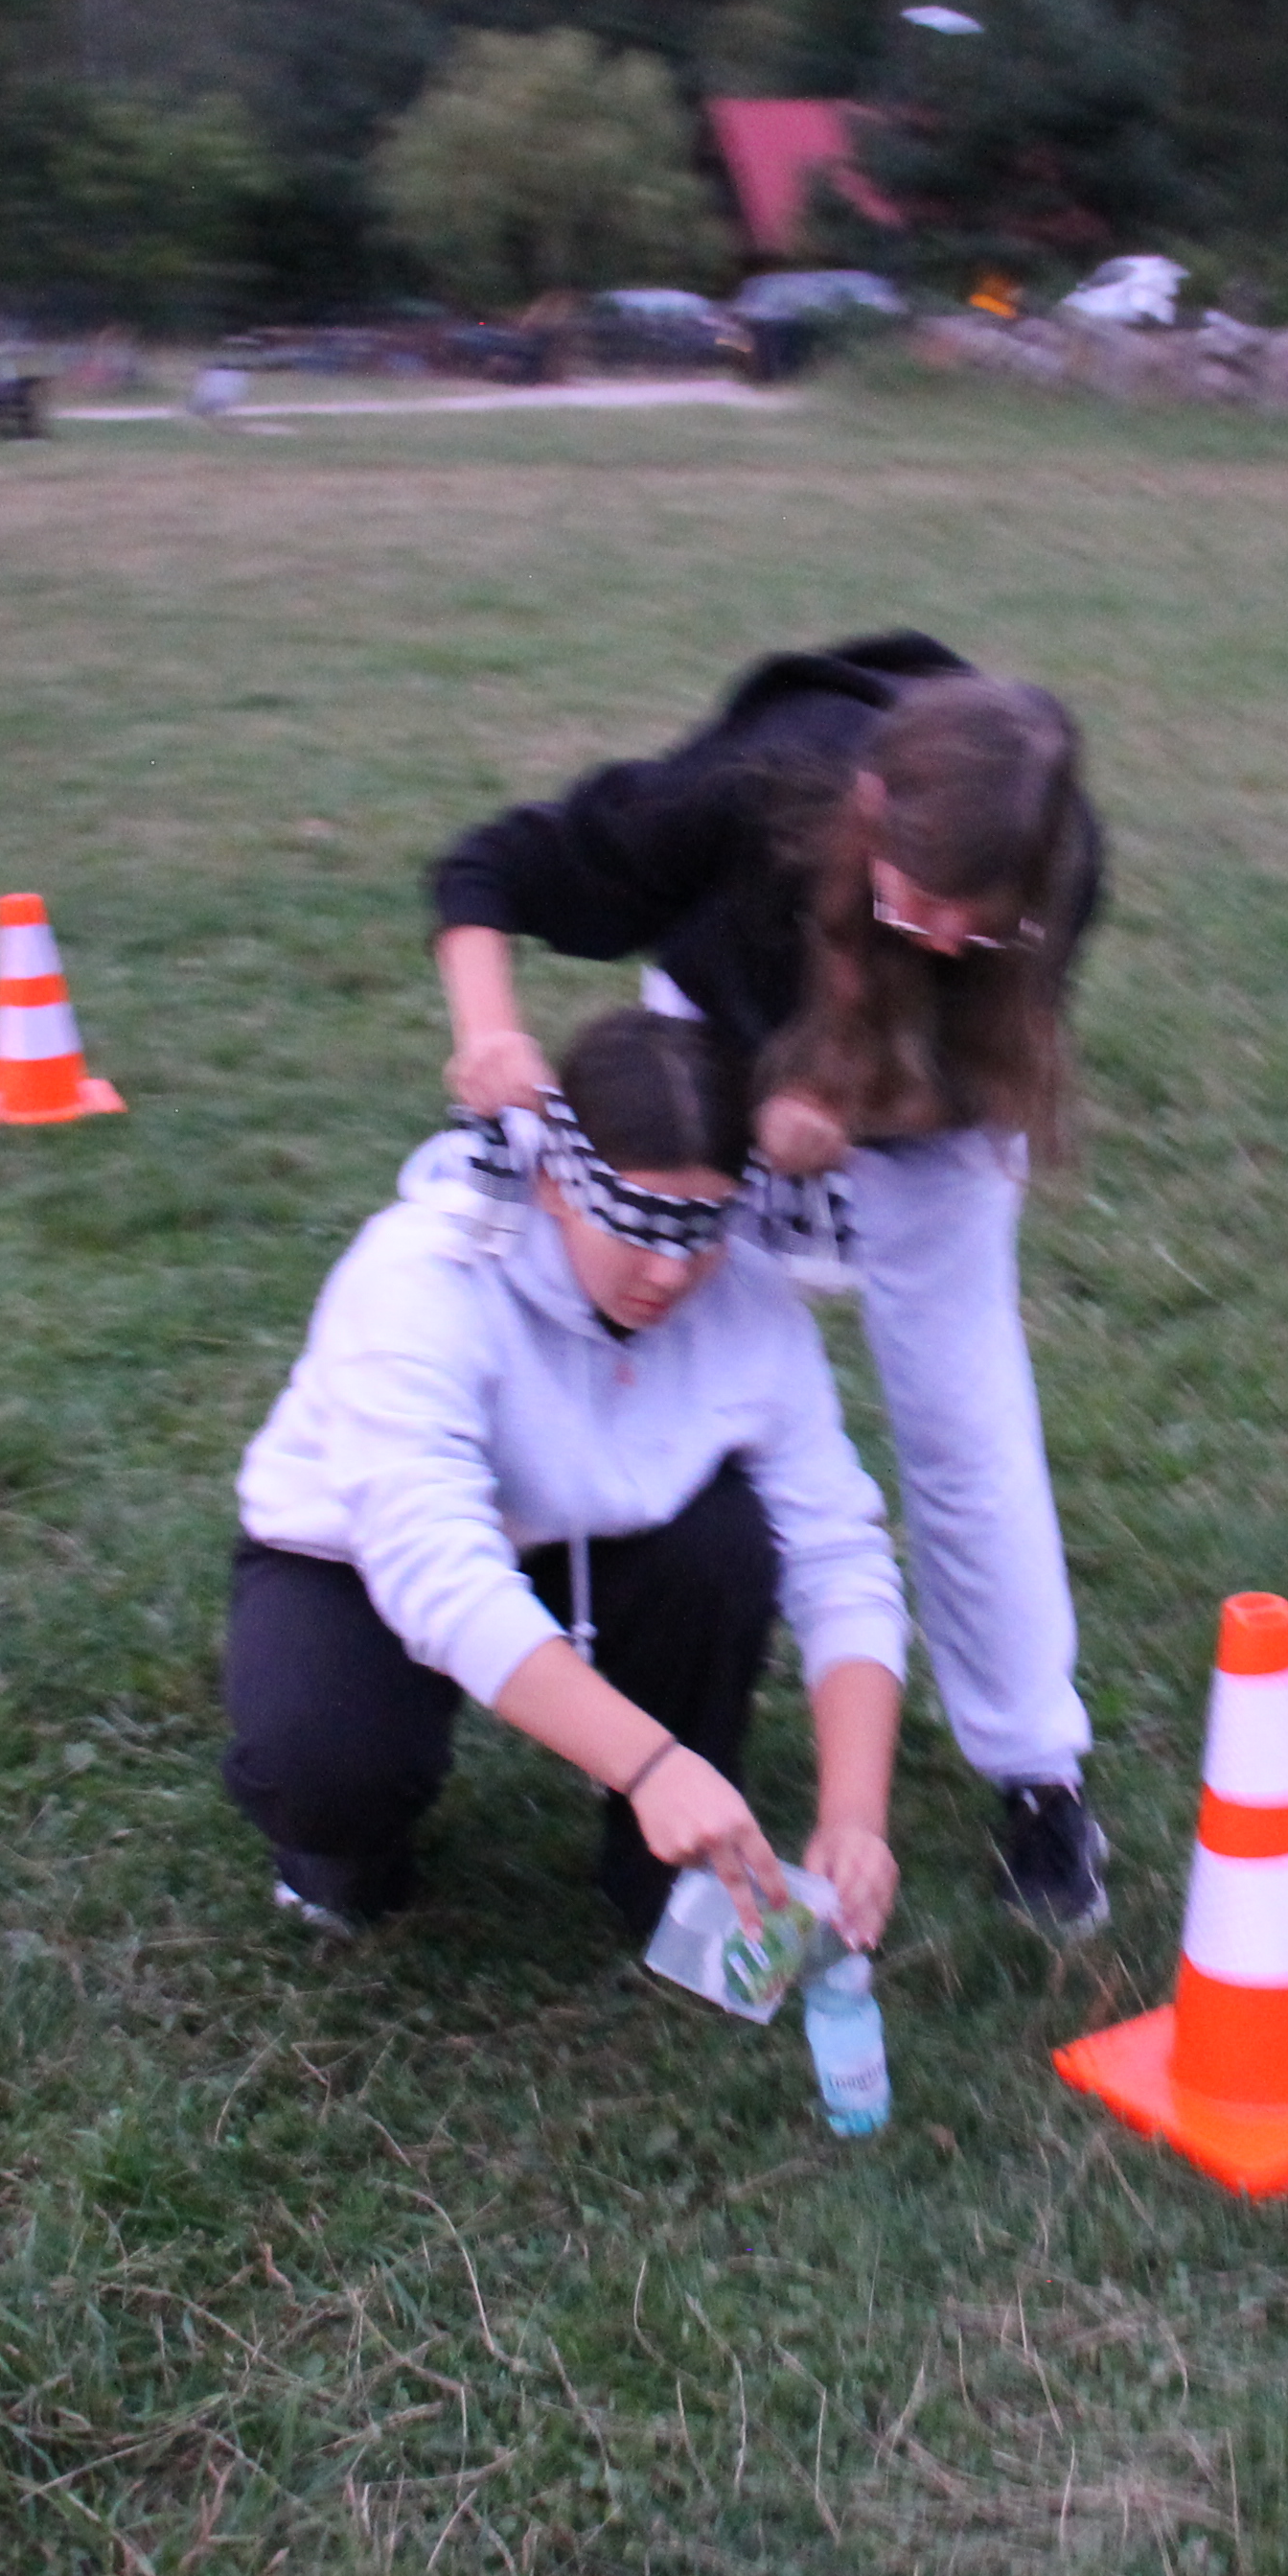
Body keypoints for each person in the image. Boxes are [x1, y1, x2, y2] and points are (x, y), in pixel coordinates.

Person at [427, 635, 1114, 1935]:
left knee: (967, 1422)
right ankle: (638, 1700)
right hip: (725, 1052)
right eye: (924, 897)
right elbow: (489, 869)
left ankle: (1038, 1771)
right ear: (870, 808)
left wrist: (851, 1106)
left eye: (982, 918)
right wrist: (492, 1032)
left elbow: (983, 1050)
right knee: (687, 1371)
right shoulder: (757, 788)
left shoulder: (1052, 873)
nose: (950, 934)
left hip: (924, 1124)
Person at [224, 1009, 906, 1947]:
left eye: (701, 1229)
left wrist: (856, 1814)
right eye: (638, 1223)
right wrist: (649, 1761)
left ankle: (666, 1866)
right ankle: (341, 1845)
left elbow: (838, 1550)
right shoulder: (419, 1277)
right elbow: (438, 1573)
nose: (670, 1272)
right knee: (330, 1771)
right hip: (356, 1561)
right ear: (552, 1180)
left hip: (602, 1541)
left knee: (727, 1544)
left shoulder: (748, 1301)